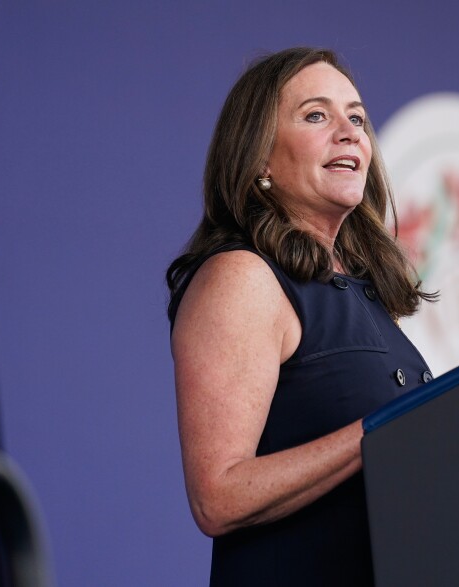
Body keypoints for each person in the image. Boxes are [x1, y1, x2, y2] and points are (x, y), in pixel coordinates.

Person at [166, 47, 435, 585]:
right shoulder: (242, 277)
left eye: (356, 117)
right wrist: (380, 431)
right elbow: (218, 496)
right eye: (316, 115)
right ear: (259, 157)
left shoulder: (367, 297)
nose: (350, 132)